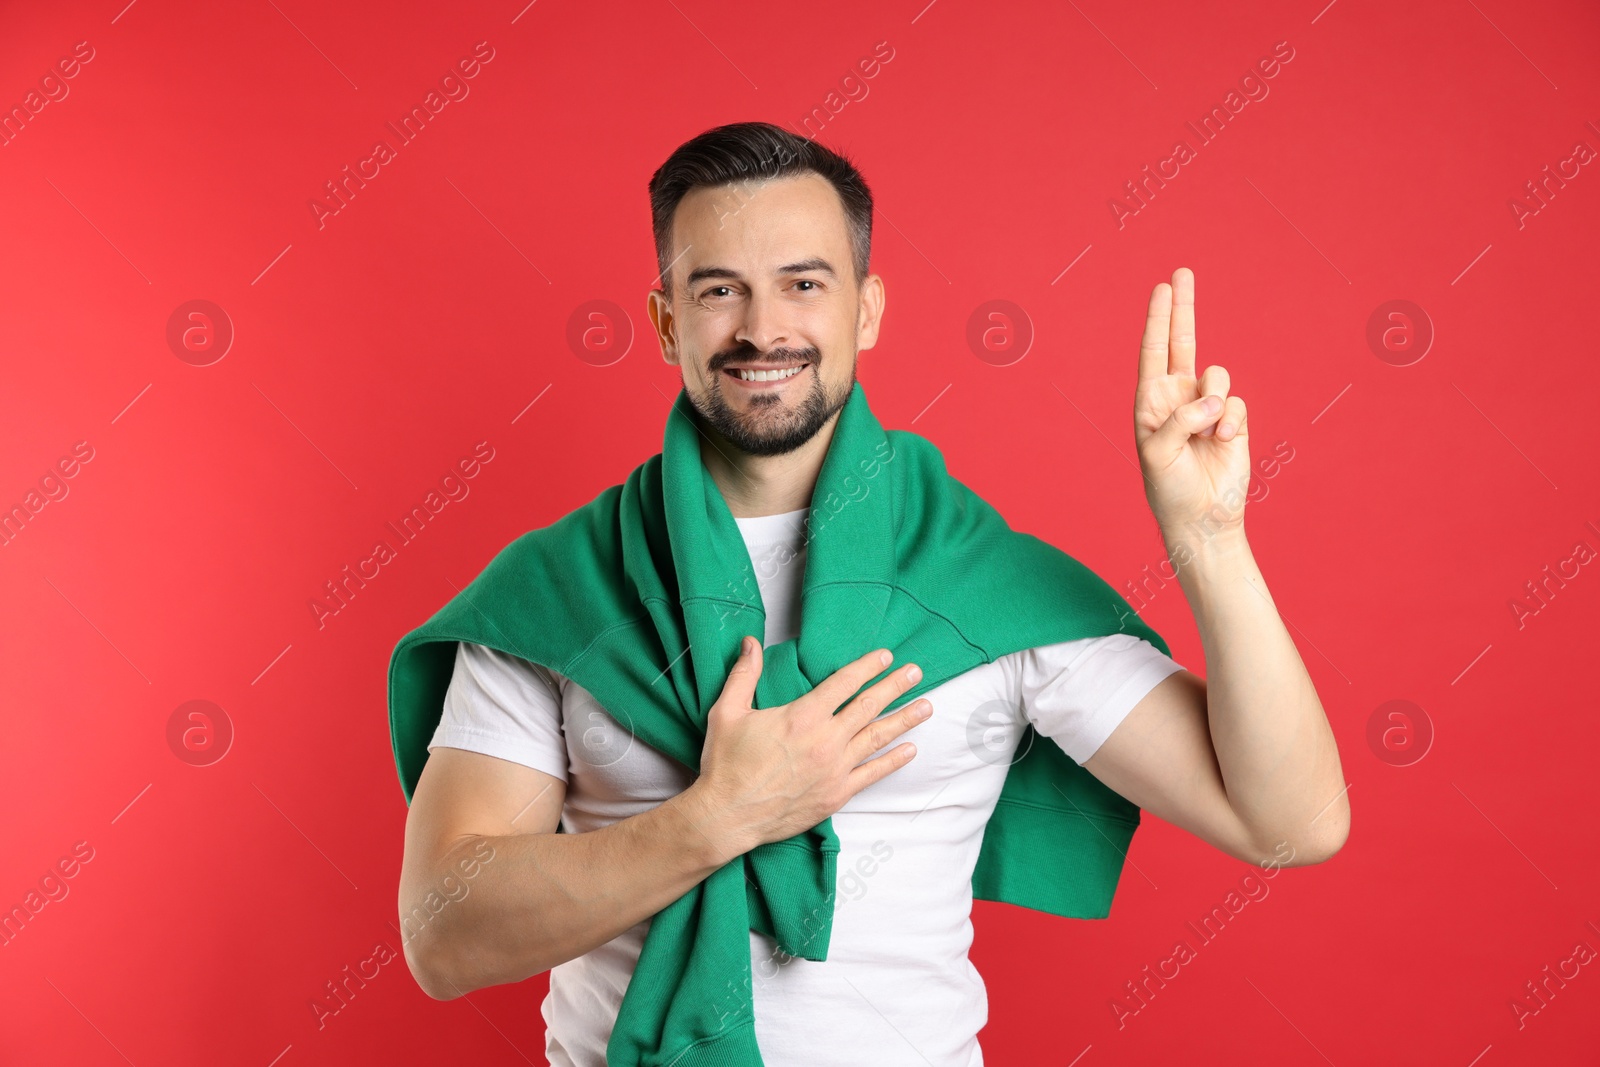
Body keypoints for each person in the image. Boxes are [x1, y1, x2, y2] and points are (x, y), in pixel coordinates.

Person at [392, 121, 1348, 1066]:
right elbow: (444, 936)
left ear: (867, 309)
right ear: (666, 321)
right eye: (719, 288)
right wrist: (717, 816)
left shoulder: (981, 586)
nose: (763, 328)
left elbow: (1293, 824)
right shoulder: (561, 590)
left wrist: (1209, 540)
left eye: (804, 284)